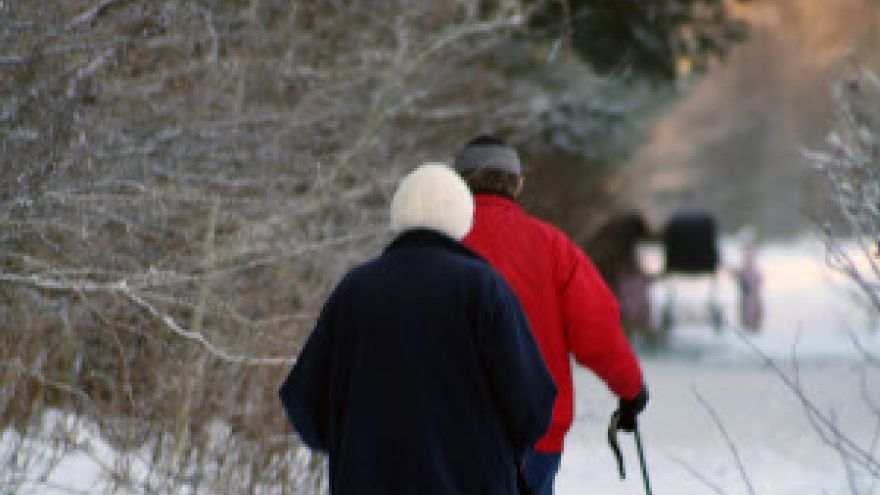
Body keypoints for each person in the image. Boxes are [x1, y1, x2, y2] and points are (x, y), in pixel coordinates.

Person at [278, 163, 556, 495]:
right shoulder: (484, 289)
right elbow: (533, 404)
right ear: (461, 218)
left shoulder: (356, 290)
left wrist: (352, 449)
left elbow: (304, 400)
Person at [454, 135, 649, 495]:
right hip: (534, 435)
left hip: (448, 435)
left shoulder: (437, 245)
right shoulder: (551, 246)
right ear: (516, 183)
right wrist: (630, 389)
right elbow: (596, 328)